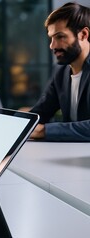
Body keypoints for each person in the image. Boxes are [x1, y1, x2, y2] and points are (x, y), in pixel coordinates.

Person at [29, 2, 90, 142]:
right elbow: (40, 112)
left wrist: (43, 131)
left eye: (60, 37)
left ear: (83, 34)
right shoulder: (60, 71)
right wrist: (13, 124)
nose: (52, 46)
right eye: (51, 38)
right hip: (68, 152)